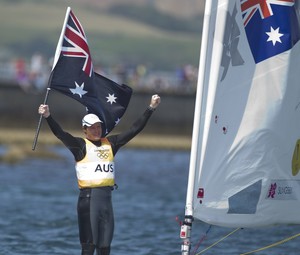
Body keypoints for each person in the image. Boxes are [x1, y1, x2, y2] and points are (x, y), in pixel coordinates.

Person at [38, 94, 161, 255]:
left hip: (106, 202)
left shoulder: (111, 144)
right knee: (89, 247)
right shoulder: (80, 146)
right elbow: (61, 134)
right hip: (88, 201)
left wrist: (151, 108)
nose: (96, 130)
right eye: (92, 127)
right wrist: (48, 116)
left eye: (98, 127)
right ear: (85, 129)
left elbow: (134, 129)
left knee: (105, 247)